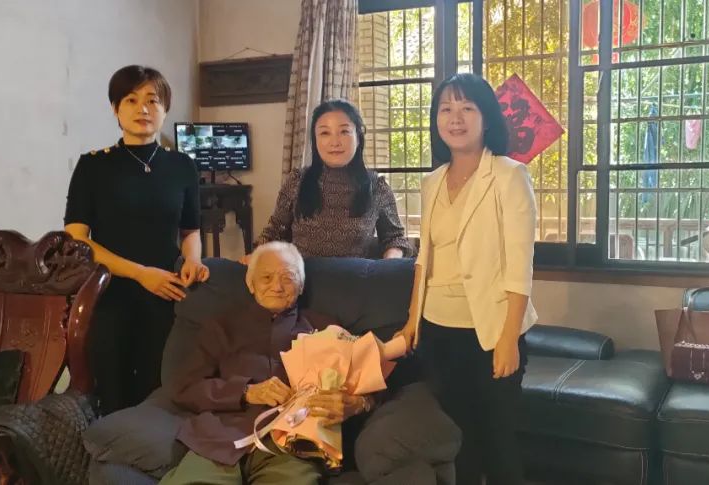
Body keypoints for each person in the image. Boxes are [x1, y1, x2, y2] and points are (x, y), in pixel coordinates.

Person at [398, 73, 537, 485]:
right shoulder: (432, 182)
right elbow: (425, 257)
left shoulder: (509, 175)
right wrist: (412, 320)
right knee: (461, 441)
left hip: (491, 329)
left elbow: (520, 264)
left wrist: (508, 338)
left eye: (466, 108)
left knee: (499, 442)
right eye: (445, 109)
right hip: (439, 330)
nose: (455, 118)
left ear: (486, 118)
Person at [160, 242, 374, 485]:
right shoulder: (221, 327)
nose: (277, 287)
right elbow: (184, 386)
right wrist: (245, 392)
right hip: (219, 440)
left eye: (288, 278)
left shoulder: (327, 329)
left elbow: (370, 380)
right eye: (266, 277)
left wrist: (359, 403)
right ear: (251, 285)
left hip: (292, 447)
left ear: (301, 286)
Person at [64, 65, 209, 414]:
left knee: (162, 388)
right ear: (115, 109)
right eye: (131, 100)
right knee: (113, 392)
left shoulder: (182, 166)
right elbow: (77, 240)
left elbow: (190, 230)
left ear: (165, 110)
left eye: (152, 100)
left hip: (167, 291)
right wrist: (141, 274)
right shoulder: (93, 167)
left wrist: (193, 259)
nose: (143, 109)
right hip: (110, 293)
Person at [249, 100, 414, 260]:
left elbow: (395, 239)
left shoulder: (377, 187)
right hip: (301, 276)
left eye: (344, 131)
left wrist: (390, 261)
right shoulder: (297, 181)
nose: (335, 142)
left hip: (355, 276)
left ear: (358, 136)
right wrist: (255, 257)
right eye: (325, 133)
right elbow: (274, 232)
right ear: (315, 140)